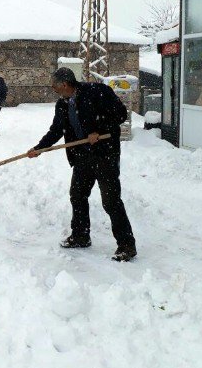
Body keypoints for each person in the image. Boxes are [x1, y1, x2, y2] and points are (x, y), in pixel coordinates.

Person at [26, 68, 136, 261]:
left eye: (55, 87)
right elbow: (56, 130)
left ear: (65, 85)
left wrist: (98, 130)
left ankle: (126, 245)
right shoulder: (62, 104)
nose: (55, 91)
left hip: (105, 155)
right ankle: (80, 235)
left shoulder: (97, 91)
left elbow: (120, 115)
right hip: (82, 156)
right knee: (77, 195)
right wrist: (39, 148)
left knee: (111, 201)